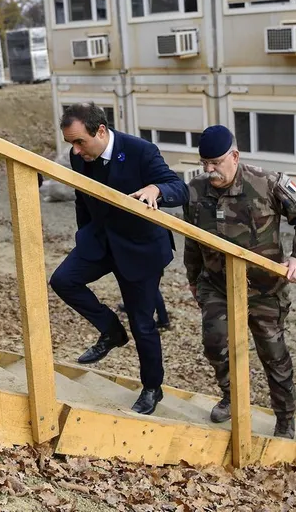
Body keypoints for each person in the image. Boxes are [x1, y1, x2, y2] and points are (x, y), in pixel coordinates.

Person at [48, 102, 189, 415]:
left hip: (140, 249)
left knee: (143, 325)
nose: (75, 149)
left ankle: (153, 388)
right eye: (70, 142)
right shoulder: (78, 156)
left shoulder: (141, 151)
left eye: (80, 141)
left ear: (100, 131)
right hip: (99, 242)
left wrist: (156, 189)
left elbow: (180, 189)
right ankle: (111, 330)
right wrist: (83, 235)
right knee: (63, 280)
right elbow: (82, 198)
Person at [183, 125, 296, 438]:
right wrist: (193, 278)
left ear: (235, 155)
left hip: (265, 290)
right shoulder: (195, 190)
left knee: (274, 357)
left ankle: (285, 420)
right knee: (215, 343)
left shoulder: (268, 182)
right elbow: (192, 240)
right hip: (218, 286)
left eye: (215, 162)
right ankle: (232, 395)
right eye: (204, 162)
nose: (209, 169)